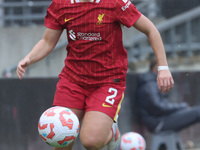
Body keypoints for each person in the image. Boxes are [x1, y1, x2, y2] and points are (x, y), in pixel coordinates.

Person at [16, 0, 174, 150]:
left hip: (108, 82)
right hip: (72, 80)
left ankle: (111, 133)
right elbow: (47, 41)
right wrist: (29, 58)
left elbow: (150, 30)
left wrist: (163, 67)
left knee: (91, 142)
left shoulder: (115, 3)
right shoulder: (61, 4)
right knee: (60, 139)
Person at [136, 59, 200, 133]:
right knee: (198, 112)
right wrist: (182, 107)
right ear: (156, 67)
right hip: (159, 122)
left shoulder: (152, 83)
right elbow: (158, 107)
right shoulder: (149, 86)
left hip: (163, 118)